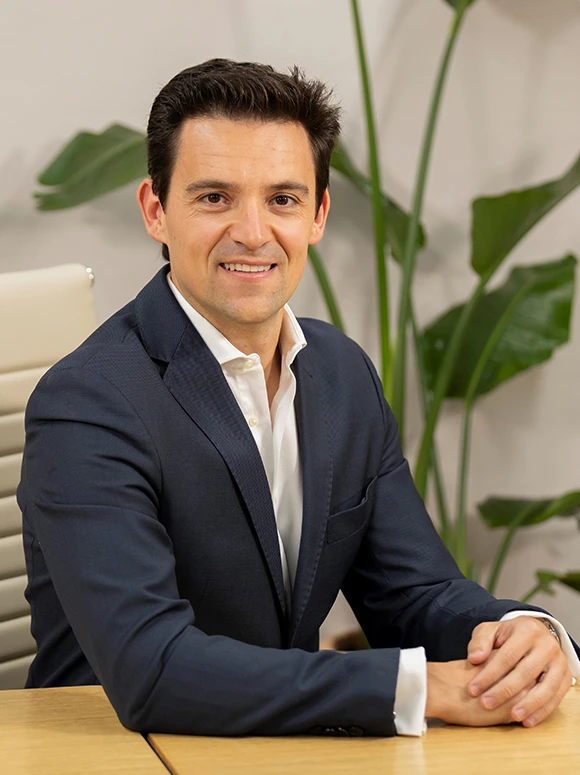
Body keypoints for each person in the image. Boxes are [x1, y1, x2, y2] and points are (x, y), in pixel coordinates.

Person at [18, 59, 579, 737]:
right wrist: (418, 686)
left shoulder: (341, 372)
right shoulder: (89, 402)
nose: (253, 232)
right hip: (119, 751)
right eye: (214, 197)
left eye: (282, 199)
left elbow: (416, 593)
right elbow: (154, 668)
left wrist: (520, 636)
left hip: (278, 747)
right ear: (156, 211)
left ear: (317, 215)